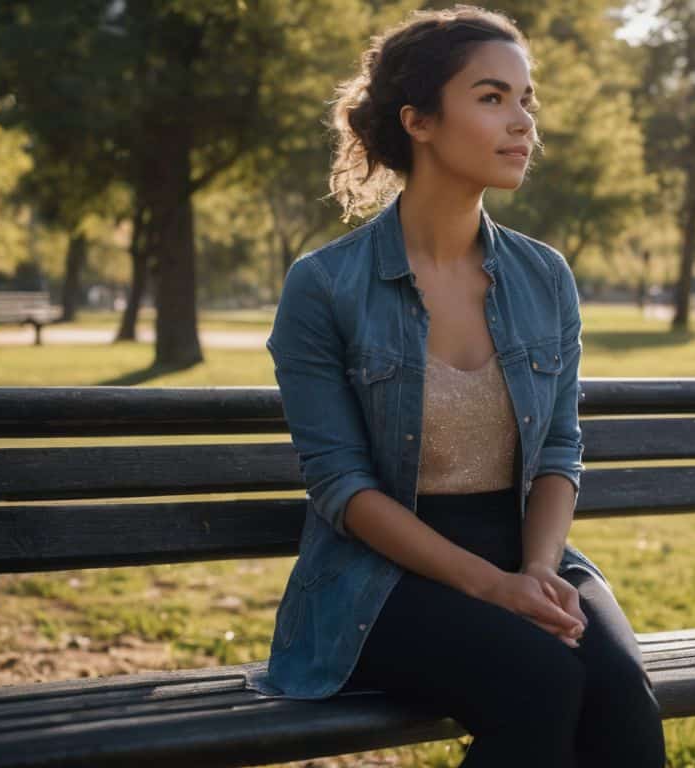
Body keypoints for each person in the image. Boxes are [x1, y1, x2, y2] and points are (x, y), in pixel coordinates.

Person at [249, 6, 667, 767]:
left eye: (526, 100)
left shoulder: (544, 276)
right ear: (419, 121)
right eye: (491, 97)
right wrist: (490, 588)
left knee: (619, 692)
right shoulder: (325, 287)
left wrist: (537, 572)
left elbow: (560, 452)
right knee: (539, 683)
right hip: (382, 581)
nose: (523, 124)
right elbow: (342, 487)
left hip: (528, 551)